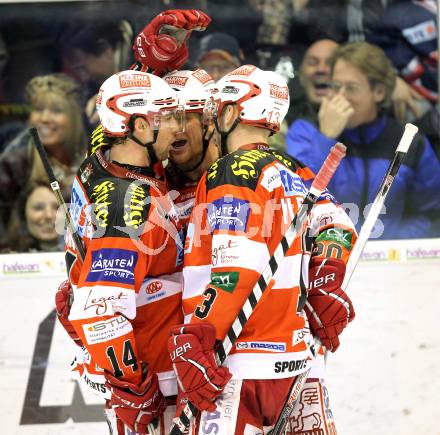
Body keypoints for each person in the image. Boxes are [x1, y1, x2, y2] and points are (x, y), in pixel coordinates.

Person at [168, 65, 357, 433]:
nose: (209, 123)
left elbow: (235, 273)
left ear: (229, 113)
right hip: (292, 359)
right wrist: (326, 282)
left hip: (236, 363)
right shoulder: (291, 170)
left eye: (213, 112)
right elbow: (339, 227)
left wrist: (198, 338)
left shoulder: (232, 170)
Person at [64, 69, 186, 434]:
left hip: (151, 371)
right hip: (151, 380)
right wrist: (133, 386)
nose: (178, 130)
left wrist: (148, 69)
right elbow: (98, 314)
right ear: (138, 127)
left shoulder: (103, 158)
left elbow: (111, 111)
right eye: (166, 119)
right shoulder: (126, 205)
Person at [286, 41, 440, 239]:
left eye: (351, 88)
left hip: (392, 260)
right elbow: (298, 201)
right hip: (322, 255)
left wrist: (394, 244)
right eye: (335, 86)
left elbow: (430, 212)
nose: (340, 97)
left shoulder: (408, 141)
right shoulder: (305, 131)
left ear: (379, 92)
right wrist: (326, 138)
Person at [0, 73, 87, 247]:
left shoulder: (93, 155)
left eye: (56, 111)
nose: (45, 118)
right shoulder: (17, 158)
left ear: (75, 117)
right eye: (38, 109)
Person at [5, 180, 62, 252]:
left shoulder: (79, 255)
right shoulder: (7, 259)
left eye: (56, 207)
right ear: (23, 214)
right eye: (39, 208)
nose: (49, 215)